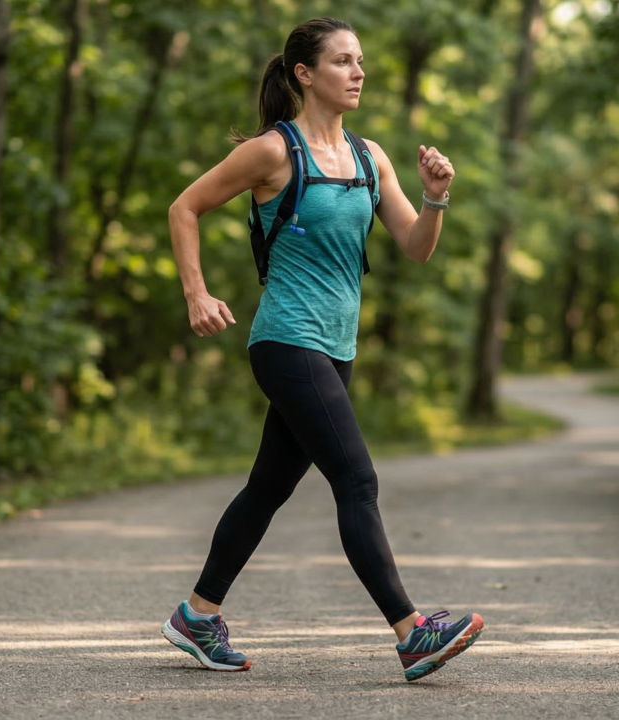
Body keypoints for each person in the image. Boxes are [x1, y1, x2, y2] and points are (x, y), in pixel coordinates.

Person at [162, 17, 483, 682]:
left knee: (266, 490)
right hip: (286, 340)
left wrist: (436, 198)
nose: (358, 72)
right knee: (357, 481)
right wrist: (196, 293)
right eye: (342, 61)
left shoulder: (371, 158)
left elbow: (416, 248)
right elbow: (184, 207)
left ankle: (197, 614)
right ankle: (411, 632)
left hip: (337, 348)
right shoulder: (274, 153)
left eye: (360, 60)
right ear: (304, 74)